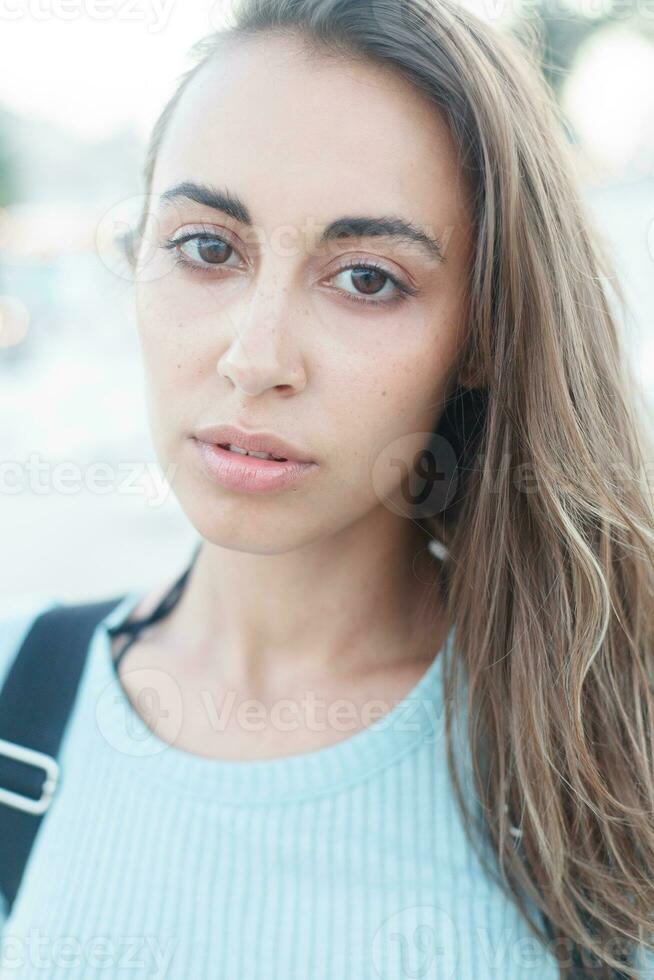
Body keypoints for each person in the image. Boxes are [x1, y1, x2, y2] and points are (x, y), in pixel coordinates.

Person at [1, 0, 653, 977]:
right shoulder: (22, 695)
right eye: (208, 248)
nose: (254, 357)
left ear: (481, 334)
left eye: (366, 278)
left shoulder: (614, 749)